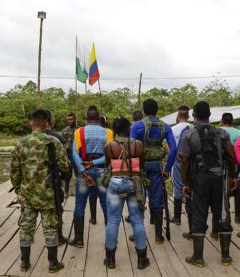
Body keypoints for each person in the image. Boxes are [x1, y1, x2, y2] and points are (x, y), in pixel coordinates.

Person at [11, 109, 69, 273]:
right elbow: (65, 166)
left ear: (31, 123)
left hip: (27, 194)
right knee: (50, 228)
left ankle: (24, 262)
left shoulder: (21, 143)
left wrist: (18, 189)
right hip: (48, 194)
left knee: (26, 227)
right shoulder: (53, 143)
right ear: (46, 123)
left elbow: (14, 171)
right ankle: (53, 263)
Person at [180, 101, 237, 267]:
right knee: (223, 212)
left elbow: (184, 161)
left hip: (199, 179)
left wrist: (185, 183)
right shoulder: (221, 133)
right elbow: (231, 156)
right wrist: (233, 176)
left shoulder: (189, 135)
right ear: (210, 115)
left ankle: (198, 257)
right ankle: (225, 256)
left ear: (194, 116)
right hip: (220, 178)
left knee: (199, 213)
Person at [103, 117, 150, 270]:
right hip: (134, 183)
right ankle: (142, 260)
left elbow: (107, 164)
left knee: (113, 221)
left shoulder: (109, 146)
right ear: (129, 129)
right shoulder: (138, 145)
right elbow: (142, 164)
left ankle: (110, 260)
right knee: (137, 220)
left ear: (115, 130)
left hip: (115, 183)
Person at [130, 99, 176, 244]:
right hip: (156, 166)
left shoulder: (137, 126)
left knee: (138, 198)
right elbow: (173, 149)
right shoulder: (165, 126)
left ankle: (138, 233)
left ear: (144, 110)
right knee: (157, 199)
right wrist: (167, 169)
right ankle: (158, 235)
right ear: (157, 110)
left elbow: (131, 147)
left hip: (140, 167)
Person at [69, 106, 113, 247]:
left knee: (80, 205)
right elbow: (109, 155)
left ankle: (79, 240)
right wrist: (94, 162)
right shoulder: (108, 132)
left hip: (84, 173)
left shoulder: (79, 132)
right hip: (102, 171)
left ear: (86, 119)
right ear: (98, 118)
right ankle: (110, 240)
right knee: (106, 205)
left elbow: (74, 153)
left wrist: (83, 170)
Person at [43, 109, 67, 245]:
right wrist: (64, 178)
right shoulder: (58, 138)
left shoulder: (28, 140)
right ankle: (59, 235)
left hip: (32, 183)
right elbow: (64, 163)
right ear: (50, 122)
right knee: (57, 207)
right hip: (53, 179)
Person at [170, 106, 191, 227]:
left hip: (177, 160)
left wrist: (176, 156)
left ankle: (177, 217)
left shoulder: (173, 129)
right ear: (188, 117)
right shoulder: (192, 128)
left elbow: (170, 147)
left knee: (177, 186)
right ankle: (190, 212)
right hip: (191, 161)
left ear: (178, 117)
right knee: (189, 184)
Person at [220, 113, 240, 224]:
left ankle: (225, 210)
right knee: (236, 189)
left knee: (223, 189)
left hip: (222, 164)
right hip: (235, 164)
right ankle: (237, 216)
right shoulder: (238, 132)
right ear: (232, 121)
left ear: (222, 120)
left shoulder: (218, 131)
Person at [61, 112, 79, 198]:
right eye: (68, 119)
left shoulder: (79, 130)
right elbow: (62, 144)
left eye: (71, 119)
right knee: (67, 174)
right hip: (67, 155)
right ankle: (66, 191)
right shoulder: (65, 130)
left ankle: (79, 192)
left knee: (78, 173)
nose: (69, 121)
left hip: (77, 155)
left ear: (75, 119)